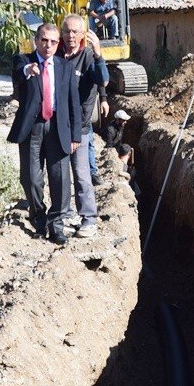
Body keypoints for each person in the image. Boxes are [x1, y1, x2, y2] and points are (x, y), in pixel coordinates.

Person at [7, 23, 82, 245]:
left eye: (53, 42)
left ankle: (57, 224)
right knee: (31, 178)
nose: (48, 45)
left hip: (59, 126)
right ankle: (39, 217)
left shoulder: (64, 67)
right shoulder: (23, 61)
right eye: (44, 40)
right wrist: (28, 71)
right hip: (33, 127)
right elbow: (18, 74)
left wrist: (75, 135)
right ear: (36, 40)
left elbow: (73, 103)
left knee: (60, 178)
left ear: (57, 44)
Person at [59, 14, 109, 238]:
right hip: (58, 126)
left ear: (83, 35)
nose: (71, 36)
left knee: (81, 174)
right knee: (59, 173)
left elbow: (103, 79)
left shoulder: (88, 56)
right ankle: (62, 214)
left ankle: (88, 219)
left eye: (75, 32)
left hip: (80, 128)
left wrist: (99, 53)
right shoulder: (57, 55)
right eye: (67, 31)